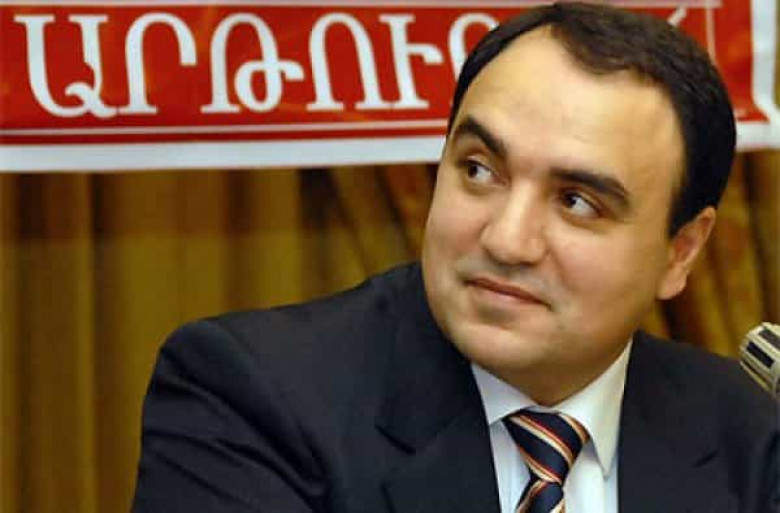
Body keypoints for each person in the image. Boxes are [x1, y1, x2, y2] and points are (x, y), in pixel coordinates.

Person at [132, 3, 778, 512]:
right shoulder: (252, 396)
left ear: (680, 252)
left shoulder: (750, 434)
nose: (506, 240)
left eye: (577, 202)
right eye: (479, 169)